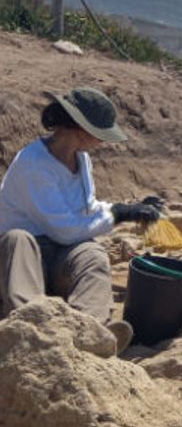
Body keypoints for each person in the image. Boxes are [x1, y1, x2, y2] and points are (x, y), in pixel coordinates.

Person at [0, 87, 163, 353]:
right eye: (99, 133)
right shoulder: (34, 164)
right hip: (22, 260)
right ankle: (31, 331)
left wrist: (131, 208)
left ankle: (90, 332)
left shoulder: (81, 160)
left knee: (92, 253)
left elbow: (85, 209)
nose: (103, 141)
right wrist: (118, 214)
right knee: (18, 240)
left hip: (57, 258)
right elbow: (64, 229)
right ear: (78, 127)